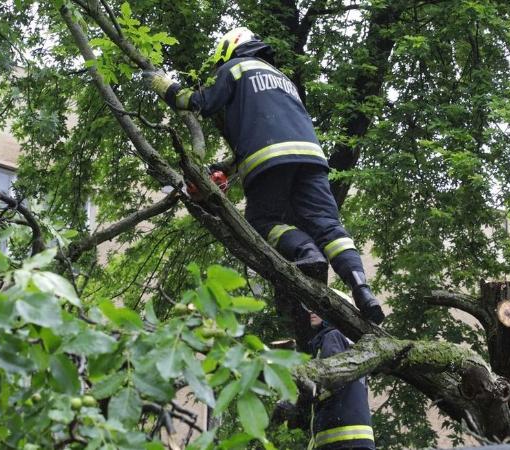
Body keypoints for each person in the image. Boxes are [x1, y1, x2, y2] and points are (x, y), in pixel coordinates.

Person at [143, 27, 384, 324]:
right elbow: (269, 129)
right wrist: (225, 168)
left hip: (269, 160)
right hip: (311, 158)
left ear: (228, 51)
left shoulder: (236, 67)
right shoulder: (284, 81)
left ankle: (307, 253)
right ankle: (362, 290)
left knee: (263, 221)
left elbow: (196, 102)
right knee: (329, 226)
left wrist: (162, 83)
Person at [305, 312, 375, 449]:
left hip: (338, 434)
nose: (311, 311)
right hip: (360, 435)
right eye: (308, 307)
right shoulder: (354, 347)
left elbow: (330, 377)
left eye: (316, 308)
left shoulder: (332, 336)